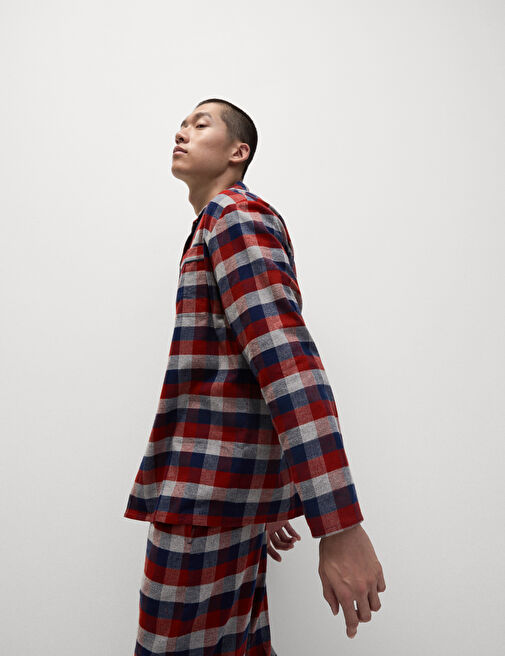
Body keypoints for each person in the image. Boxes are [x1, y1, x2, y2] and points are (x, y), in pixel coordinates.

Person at [124, 98, 386, 655]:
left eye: (201, 124)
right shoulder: (218, 223)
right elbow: (244, 370)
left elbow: (287, 364)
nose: (181, 131)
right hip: (220, 495)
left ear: (238, 152)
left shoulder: (234, 217)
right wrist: (264, 493)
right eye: (181, 123)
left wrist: (338, 525)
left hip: (203, 498)